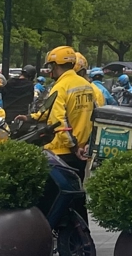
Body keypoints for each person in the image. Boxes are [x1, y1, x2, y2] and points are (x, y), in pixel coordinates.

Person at [32, 46, 95, 180]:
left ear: (55, 66)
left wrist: (73, 147)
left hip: (62, 152)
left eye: (50, 67)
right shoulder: (87, 85)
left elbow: (59, 122)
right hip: (82, 151)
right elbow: (94, 116)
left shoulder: (60, 87)